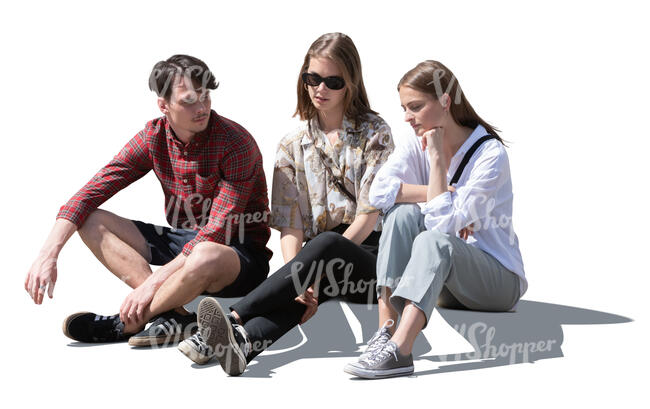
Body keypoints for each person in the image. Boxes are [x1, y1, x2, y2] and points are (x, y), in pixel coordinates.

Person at [178, 33, 394, 375]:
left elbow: (369, 216)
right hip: (319, 263)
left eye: (332, 81)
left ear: (350, 83)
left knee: (324, 245)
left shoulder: (375, 133)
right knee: (303, 293)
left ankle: (233, 317)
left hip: (372, 262)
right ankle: (244, 343)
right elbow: (290, 225)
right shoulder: (291, 145)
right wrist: (299, 282)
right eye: (312, 79)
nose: (319, 89)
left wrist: (310, 268)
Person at [24, 55, 272, 347]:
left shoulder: (236, 143)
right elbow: (89, 194)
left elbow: (216, 231)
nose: (202, 107)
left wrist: (153, 285)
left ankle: (125, 322)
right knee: (91, 219)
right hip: (185, 242)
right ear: (163, 105)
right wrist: (48, 254)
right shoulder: (153, 137)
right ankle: (174, 316)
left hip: (238, 256)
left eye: (205, 96)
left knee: (205, 252)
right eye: (189, 100)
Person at [344, 60, 527, 379]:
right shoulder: (416, 143)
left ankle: (401, 350)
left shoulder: (490, 155)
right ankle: (385, 332)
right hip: (446, 281)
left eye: (415, 106)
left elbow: (442, 231)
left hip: (497, 282)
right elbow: (378, 192)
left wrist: (438, 161)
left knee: (432, 237)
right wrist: (438, 191)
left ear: (445, 102)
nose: (406, 117)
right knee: (401, 215)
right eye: (403, 107)